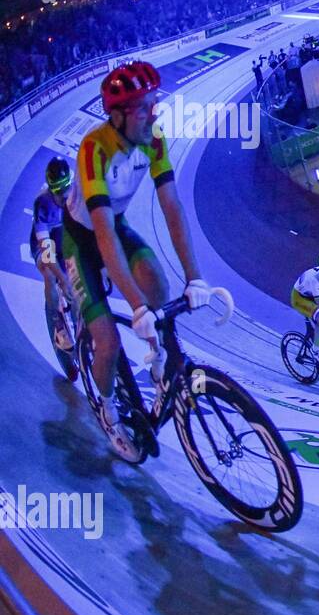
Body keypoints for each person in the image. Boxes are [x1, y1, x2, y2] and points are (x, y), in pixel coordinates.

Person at [62, 61, 213, 461]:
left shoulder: (153, 138)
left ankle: (160, 363)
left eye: (154, 103)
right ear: (117, 116)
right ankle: (108, 410)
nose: (155, 112)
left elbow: (172, 206)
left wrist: (195, 277)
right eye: (144, 107)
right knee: (108, 341)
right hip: (83, 238)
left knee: (159, 285)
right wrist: (135, 305)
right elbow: (103, 235)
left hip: (115, 224)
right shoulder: (94, 149)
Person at [31, 157, 75, 358]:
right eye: (58, 190)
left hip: (65, 239)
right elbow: (47, 251)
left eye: (66, 187)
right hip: (46, 244)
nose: (63, 194)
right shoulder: (43, 203)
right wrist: (63, 278)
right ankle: (57, 323)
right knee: (49, 273)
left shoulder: (77, 194)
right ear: (50, 188)